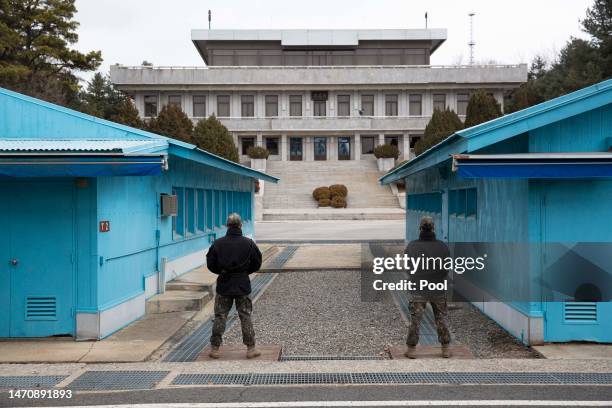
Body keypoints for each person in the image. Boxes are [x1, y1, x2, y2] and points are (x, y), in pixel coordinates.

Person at [206, 213, 263, 359]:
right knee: (245, 315)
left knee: (220, 316)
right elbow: (257, 263)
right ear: (241, 225)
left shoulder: (218, 243)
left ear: (227, 225)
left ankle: (215, 348)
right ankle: (251, 349)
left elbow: (211, 264)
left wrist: (222, 272)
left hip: (224, 284)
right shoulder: (249, 243)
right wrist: (244, 272)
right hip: (242, 284)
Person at [404, 216, 452, 359]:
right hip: (437, 287)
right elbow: (446, 268)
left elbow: (408, 267)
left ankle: (411, 349)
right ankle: (445, 349)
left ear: (420, 229)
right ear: (433, 229)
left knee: (416, 319)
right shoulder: (442, 246)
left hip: (419, 288)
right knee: (441, 318)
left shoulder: (412, 246)